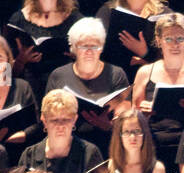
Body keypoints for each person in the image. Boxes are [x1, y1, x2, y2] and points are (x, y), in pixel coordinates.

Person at [131, 12, 184, 166]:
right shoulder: (145, 72)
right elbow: (134, 117)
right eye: (168, 39)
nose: (175, 44)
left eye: (180, 38)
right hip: (154, 145)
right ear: (159, 41)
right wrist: (142, 114)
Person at [46, 14, 131, 151]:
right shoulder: (58, 75)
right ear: (73, 48)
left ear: (102, 48)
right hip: (68, 144)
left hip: (107, 145)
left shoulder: (116, 74)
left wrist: (108, 125)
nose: (89, 52)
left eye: (95, 46)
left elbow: (126, 121)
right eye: (83, 47)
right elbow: (47, 115)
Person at [10, 0, 85, 96]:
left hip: (67, 90)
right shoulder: (18, 20)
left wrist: (80, 58)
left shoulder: (76, 19)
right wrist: (20, 61)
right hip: (30, 92)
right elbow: (4, 77)